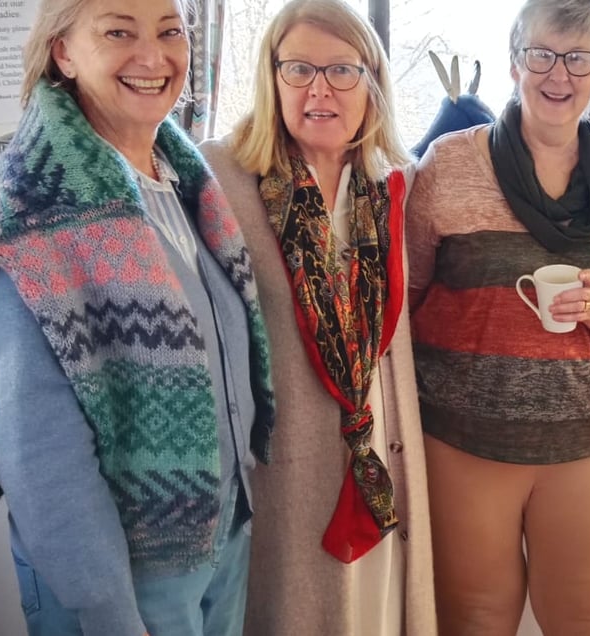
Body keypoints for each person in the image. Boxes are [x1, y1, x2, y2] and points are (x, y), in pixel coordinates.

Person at [0, 0, 276, 634]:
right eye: (118, 31)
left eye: (170, 31)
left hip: (218, 536)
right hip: (124, 575)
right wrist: (108, 611)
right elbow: (39, 452)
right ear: (63, 52)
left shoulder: (183, 176)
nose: (154, 56)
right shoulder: (36, 209)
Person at [405, 0, 590, 633]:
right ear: (514, 63)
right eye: (542, 54)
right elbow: (407, 295)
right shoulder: (449, 163)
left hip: (589, 442)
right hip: (465, 440)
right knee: (473, 620)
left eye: (579, 58)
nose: (559, 74)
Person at [199, 1, 435, 634]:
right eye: (299, 69)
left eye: (342, 70)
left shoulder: (394, 184)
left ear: (371, 82)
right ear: (271, 76)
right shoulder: (220, 177)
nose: (320, 89)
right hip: (287, 467)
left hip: (381, 449)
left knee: (379, 614)